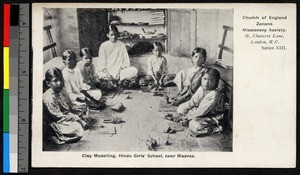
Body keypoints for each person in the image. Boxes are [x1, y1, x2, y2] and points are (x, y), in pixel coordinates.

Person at [43, 67, 89, 145]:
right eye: (55, 81)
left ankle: (80, 122)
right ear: (48, 83)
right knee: (78, 132)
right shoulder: (49, 97)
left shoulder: (62, 90)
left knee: (84, 108)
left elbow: (70, 104)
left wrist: (80, 114)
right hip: (57, 121)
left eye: (61, 79)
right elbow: (59, 117)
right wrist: (79, 119)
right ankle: (52, 135)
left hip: (67, 116)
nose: (60, 83)